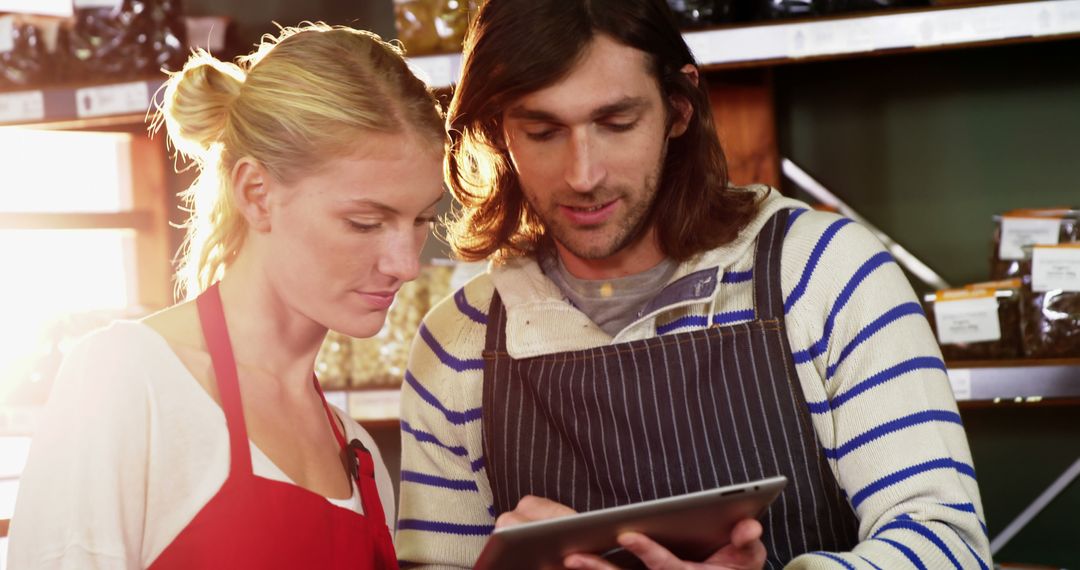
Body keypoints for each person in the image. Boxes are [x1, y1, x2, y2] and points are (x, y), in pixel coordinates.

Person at [395, 1, 991, 568]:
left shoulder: (822, 274)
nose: (584, 174)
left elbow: (949, 545)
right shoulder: (458, 346)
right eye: (543, 131)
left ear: (678, 109)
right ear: (499, 133)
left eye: (617, 122)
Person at [8, 23, 445, 569]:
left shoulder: (357, 453)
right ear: (257, 194)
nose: (405, 264)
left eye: (422, 220)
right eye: (364, 223)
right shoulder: (127, 381)